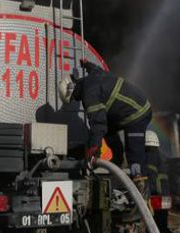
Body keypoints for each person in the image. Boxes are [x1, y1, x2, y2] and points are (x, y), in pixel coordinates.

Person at [59, 60, 153, 191]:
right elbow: (96, 69)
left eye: (73, 97)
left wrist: (93, 149)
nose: (76, 99)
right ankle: (117, 159)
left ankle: (140, 183)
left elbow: (98, 124)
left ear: (72, 89)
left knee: (134, 150)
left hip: (137, 113)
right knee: (108, 132)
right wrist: (87, 64)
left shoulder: (89, 95)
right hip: (132, 108)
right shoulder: (91, 78)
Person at [145, 131, 176, 233]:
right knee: (162, 218)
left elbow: (150, 175)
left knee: (154, 219)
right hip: (164, 192)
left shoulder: (149, 156)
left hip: (155, 193)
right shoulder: (161, 156)